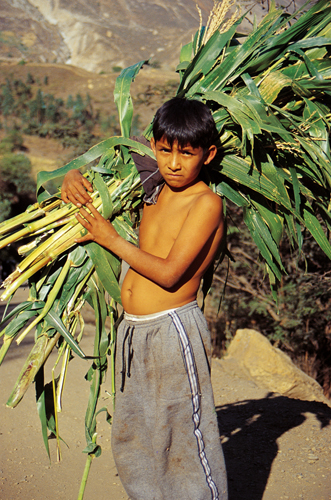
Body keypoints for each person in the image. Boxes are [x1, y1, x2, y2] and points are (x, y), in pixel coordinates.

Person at [61, 97, 228, 500]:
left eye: (186, 154)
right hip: (132, 334)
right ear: (153, 146)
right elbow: (110, 163)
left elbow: (170, 273)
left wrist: (110, 239)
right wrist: (73, 175)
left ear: (208, 155)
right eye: (165, 150)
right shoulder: (150, 185)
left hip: (172, 333)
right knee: (134, 436)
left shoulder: (205, 202)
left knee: (181, 437)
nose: (173, 163)